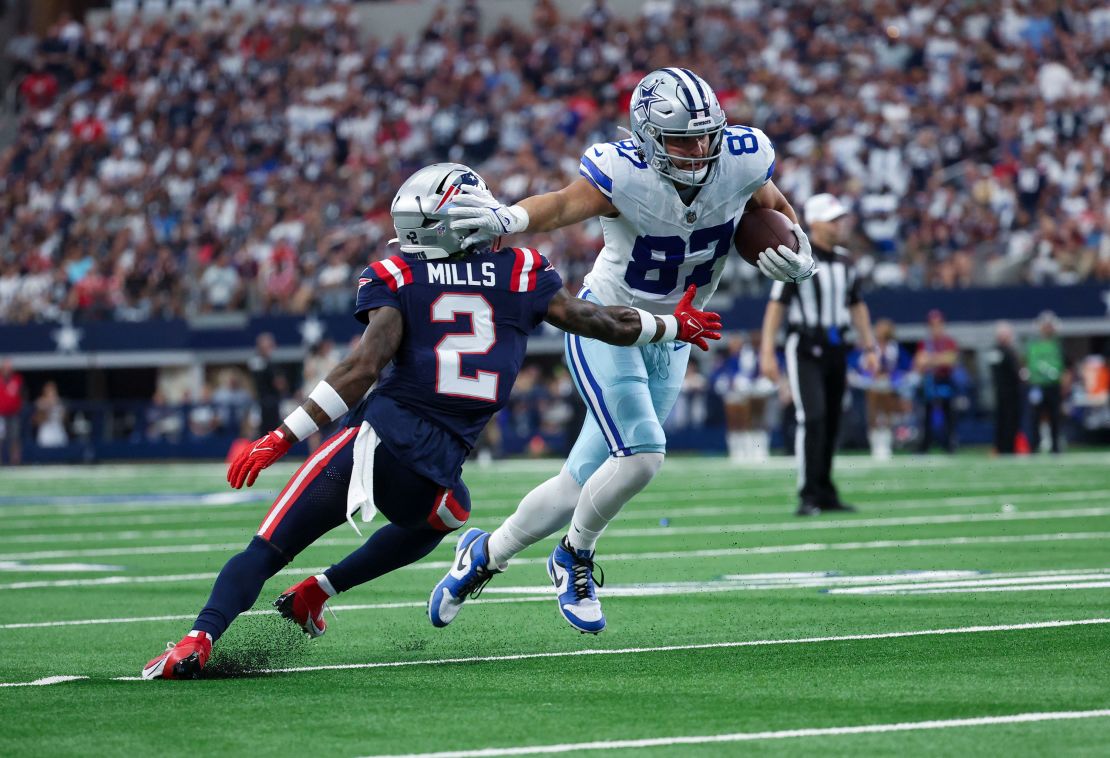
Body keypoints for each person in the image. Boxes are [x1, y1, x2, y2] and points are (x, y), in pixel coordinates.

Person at [141, 163, 720, 680]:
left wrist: (278, 436)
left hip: (376, 445)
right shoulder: (522, 271)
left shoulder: (398, 275)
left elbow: (362, 367)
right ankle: (318, 591)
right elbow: (604, 322)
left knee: (268, 547)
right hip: (437, 468)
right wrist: (672, 327)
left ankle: (198, 638)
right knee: (448, 513)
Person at [432, 67, 816, 634]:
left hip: (679, 334)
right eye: (683, 138)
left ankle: (483, 555)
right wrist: (508, 217)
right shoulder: (624, 172)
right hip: (610, 323)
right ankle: (573, 557)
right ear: (647, 136)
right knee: (641, 455)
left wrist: (799, 247)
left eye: (706, 134)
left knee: (577, 485)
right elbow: (564, 205)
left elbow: (775, 208)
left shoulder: (743, 156)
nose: (699, 149)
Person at [758, 193, 878, 516]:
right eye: (833, 219)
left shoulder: (845, 261)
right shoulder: (798, 257)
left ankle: (825, 490)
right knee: (811, 417)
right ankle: (808, 492)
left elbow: (857, 304)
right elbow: (775, 306)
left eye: (841, 218)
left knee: (833, 419)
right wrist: (767, 351)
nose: (840, 225)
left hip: (838, 347)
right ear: (815, 223)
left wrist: (869, 346)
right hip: (805, 346)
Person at [862, 319, 909, 461]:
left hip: (890, 384)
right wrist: (872, 374)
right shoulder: (871, 346)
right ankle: (874, 442)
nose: (879, 330)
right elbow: (861, 365)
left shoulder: (894, 348)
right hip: (872, 383)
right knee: (873, 406)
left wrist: (890, 376)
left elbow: (904, 366)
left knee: (887, 407)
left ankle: (886, 442)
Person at [914, 309, 959, 453]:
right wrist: (939, 359)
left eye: (938, 324)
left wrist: (931, 359)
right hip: (930, 382)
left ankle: (949, 444)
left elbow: (951, 360)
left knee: (948, 414)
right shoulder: (924, 343)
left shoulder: (949, 342)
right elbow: (920, 362)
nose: (935, 327)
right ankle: (925, 444)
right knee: (927, 415)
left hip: (945, 381)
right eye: (932, 324)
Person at [1026, 310, 1064, 454]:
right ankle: (1034, 446)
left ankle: (1056, 447)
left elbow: (1061, 364)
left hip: (1053, 385)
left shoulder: (1057, 344)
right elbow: (1032, 363)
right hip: (1038, 385)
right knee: (1035, 417)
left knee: (1055, 416)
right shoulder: (1034, 344)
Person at [989, 321, 1023, 455]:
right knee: (1003, 421)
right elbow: (1015, 372)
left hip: (1009, 392)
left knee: (1009, 421)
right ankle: (1002, 447)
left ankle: (1008, 447)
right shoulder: (1001, 351)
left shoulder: (1007, 351)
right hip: (1003, 392)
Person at [0, 359, 25, 464]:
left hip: (14, 414)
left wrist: (20, 406)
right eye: (5, 367)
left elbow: (23, 394)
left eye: (9, 368)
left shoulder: (17, 379)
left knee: (15, 438)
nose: (7, 370)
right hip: (0, 414)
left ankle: (15, 462)